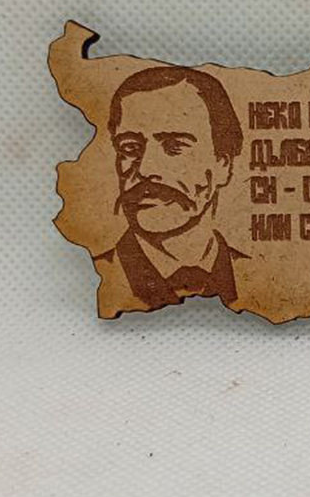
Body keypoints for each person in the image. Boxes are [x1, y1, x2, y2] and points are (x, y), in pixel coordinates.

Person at [94, 66, 247, 317]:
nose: (146, 169)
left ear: (223, 164)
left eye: (174, 147)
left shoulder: (257, 273)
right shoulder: (98, 274)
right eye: (130, 148)